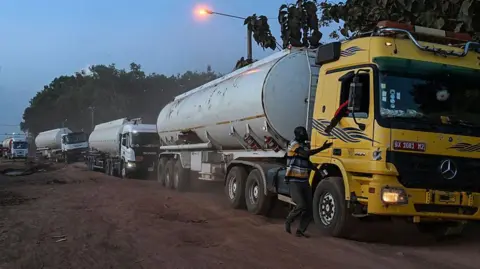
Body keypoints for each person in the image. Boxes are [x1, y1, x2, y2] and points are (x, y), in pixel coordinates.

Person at [284, 126, 332, 238]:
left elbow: (306, 161)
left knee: (309, 208)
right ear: (298, 134)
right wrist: (323, 148)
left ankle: (300, 231)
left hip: (304, 180)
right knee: (301, 204)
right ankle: (289, 219)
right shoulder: (293, 144)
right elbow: (306, 154)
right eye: (303, 132)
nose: (306, 134)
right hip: (294, 180)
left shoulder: (304, 145)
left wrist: (317, 170)